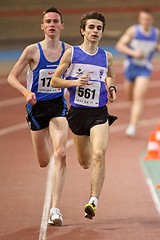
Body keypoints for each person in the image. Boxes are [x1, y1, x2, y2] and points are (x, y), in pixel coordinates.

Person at [7, 7, 71, 226]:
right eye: (48, 22)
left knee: (61, 153)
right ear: (42, 26)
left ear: (62, 25)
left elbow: (75, 76)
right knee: (44, 162)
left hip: (57, 106)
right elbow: (11, 77)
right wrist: (26, 93)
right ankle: (44, 136)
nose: (52, 25)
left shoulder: (70, 51)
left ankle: (55, 209)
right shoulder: (32, 51)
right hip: (36, 109)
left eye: (56, 21)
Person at [51, 11, 117, 220]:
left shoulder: (107, 56)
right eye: (91, 27)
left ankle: (93, 200)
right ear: (83, 30)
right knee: (85, 162)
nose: (95, 31)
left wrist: (111, 86)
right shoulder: (72, 54)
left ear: (102, 32)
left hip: (99, 112)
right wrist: (74, 83)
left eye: (98, 28)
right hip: (78, 113)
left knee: (99, 154)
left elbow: (110, 74)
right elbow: (54, 80)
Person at [116, 8, 160, 137]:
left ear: (151, 20)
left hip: (145, 68)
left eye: (148, 19)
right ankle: (133, 109)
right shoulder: (133, 31)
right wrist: (133, 53)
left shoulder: (156, 33)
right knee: (130, 96)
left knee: (138, 95)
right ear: (140, 19)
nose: (145, 21)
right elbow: (120, 45)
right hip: (131, 66)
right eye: (143, 19)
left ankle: (132, 126)